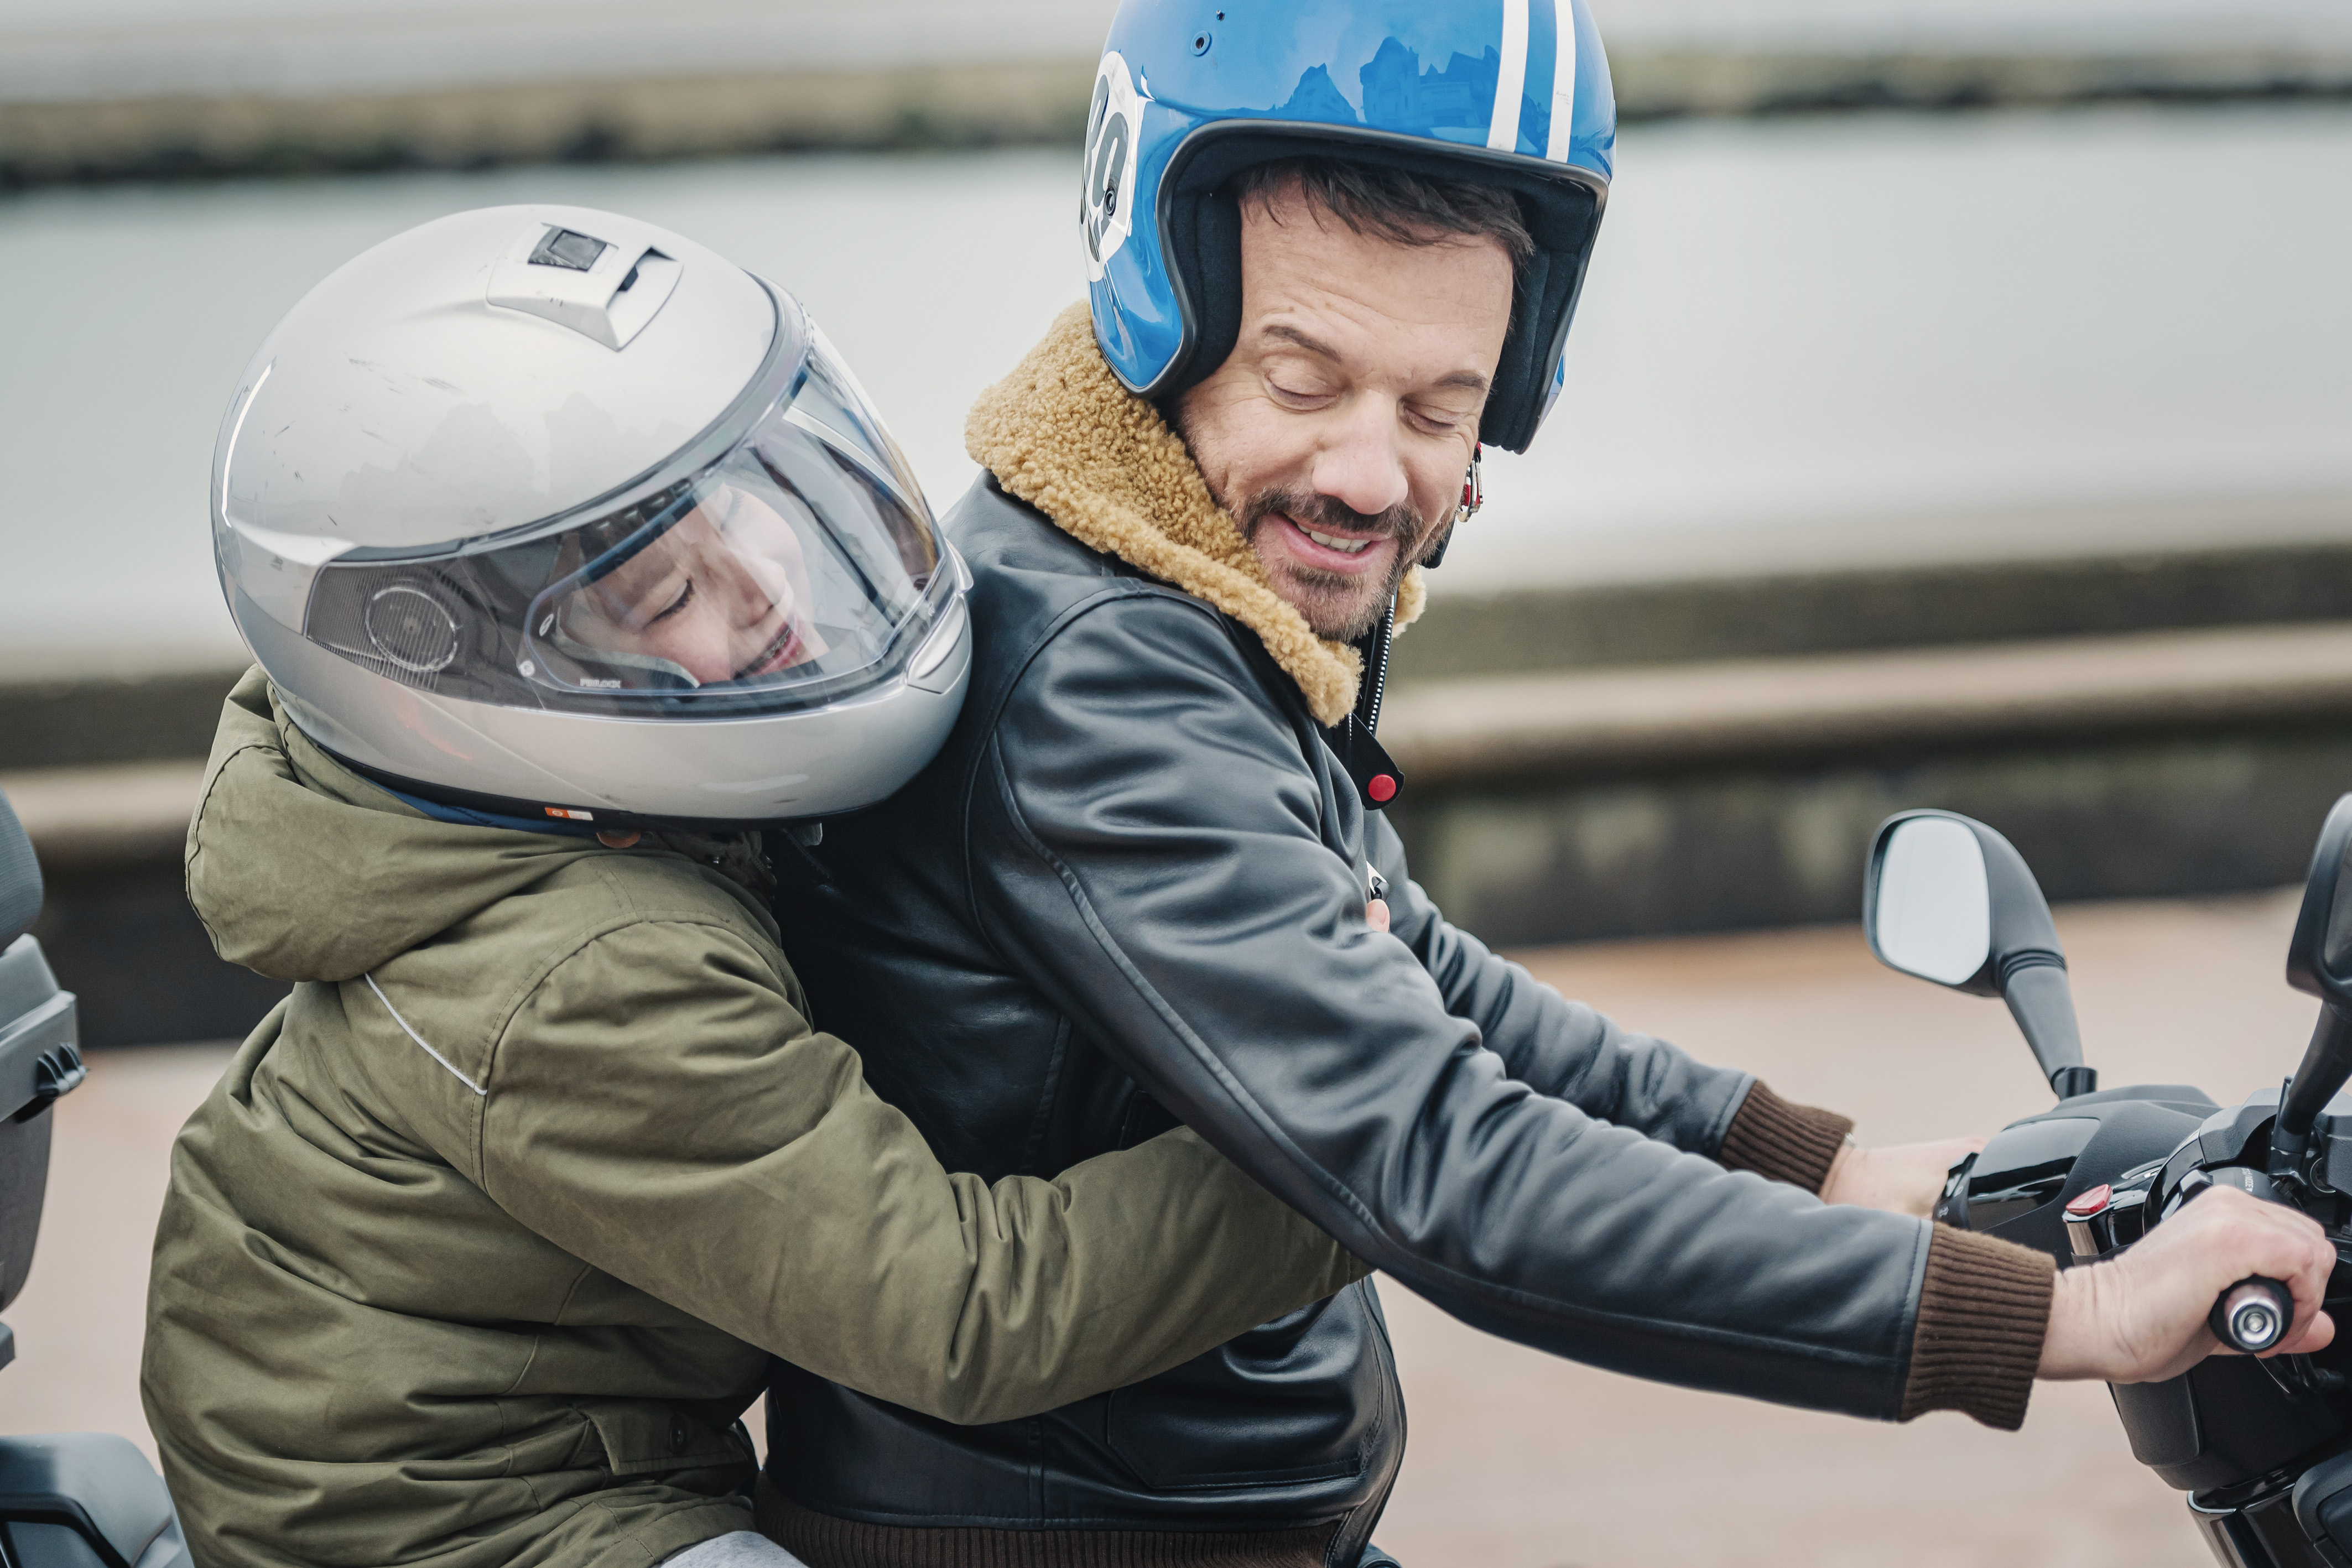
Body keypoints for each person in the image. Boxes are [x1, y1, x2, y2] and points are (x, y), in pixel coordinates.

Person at [756, 6, 2339, 1566]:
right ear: (1158, 311)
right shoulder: (1095, 681)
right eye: (1304, 383)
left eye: (1439, 408)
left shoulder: (1175, 590)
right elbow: (1444, 1158)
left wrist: (1828, 1165)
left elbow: (1413, 968)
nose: (1375, 474)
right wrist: (2068, 1317)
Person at [139, 204, 1366, 1568]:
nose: (768, 581)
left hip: (504, 1433)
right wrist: (1358, 1153)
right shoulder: (582, 979)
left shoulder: (508, 808)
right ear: (466, 676)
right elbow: (960, 1308)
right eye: (665, 598)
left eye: (758, 504)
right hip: (444, 1520)